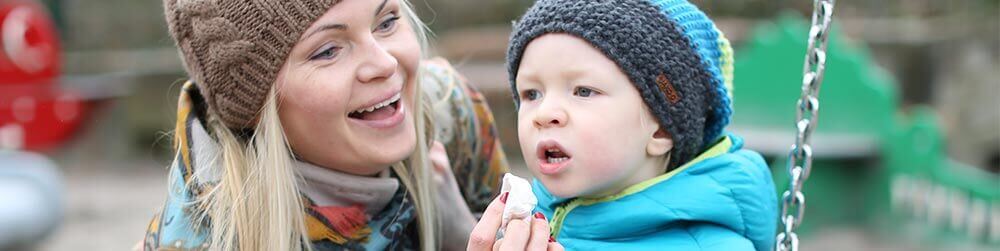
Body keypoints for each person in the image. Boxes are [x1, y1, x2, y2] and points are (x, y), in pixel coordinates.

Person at [144, 0, 508, 250]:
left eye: (387, 22)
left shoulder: (451, 114)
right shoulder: (210, 240)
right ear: (256, 107)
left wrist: (471, 232)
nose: (384, 64)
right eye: (328, 51)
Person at [471, 0, 778, 250]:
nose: (544, 113)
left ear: (661, 130)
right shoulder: (527, 227)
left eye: (583, 91)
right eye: (531, 94)